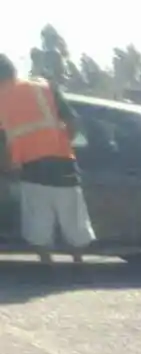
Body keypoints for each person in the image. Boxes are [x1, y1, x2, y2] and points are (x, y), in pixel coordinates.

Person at [0, 55, 94, 265]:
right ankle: (79, 265)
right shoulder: (43, 87)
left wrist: (8, 166)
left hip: (30, 169)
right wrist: (62, 142)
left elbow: (3, 144)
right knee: (73, 220)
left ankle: (47, 266)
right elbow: (72, 122)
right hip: (63, 164)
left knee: (38, 224)